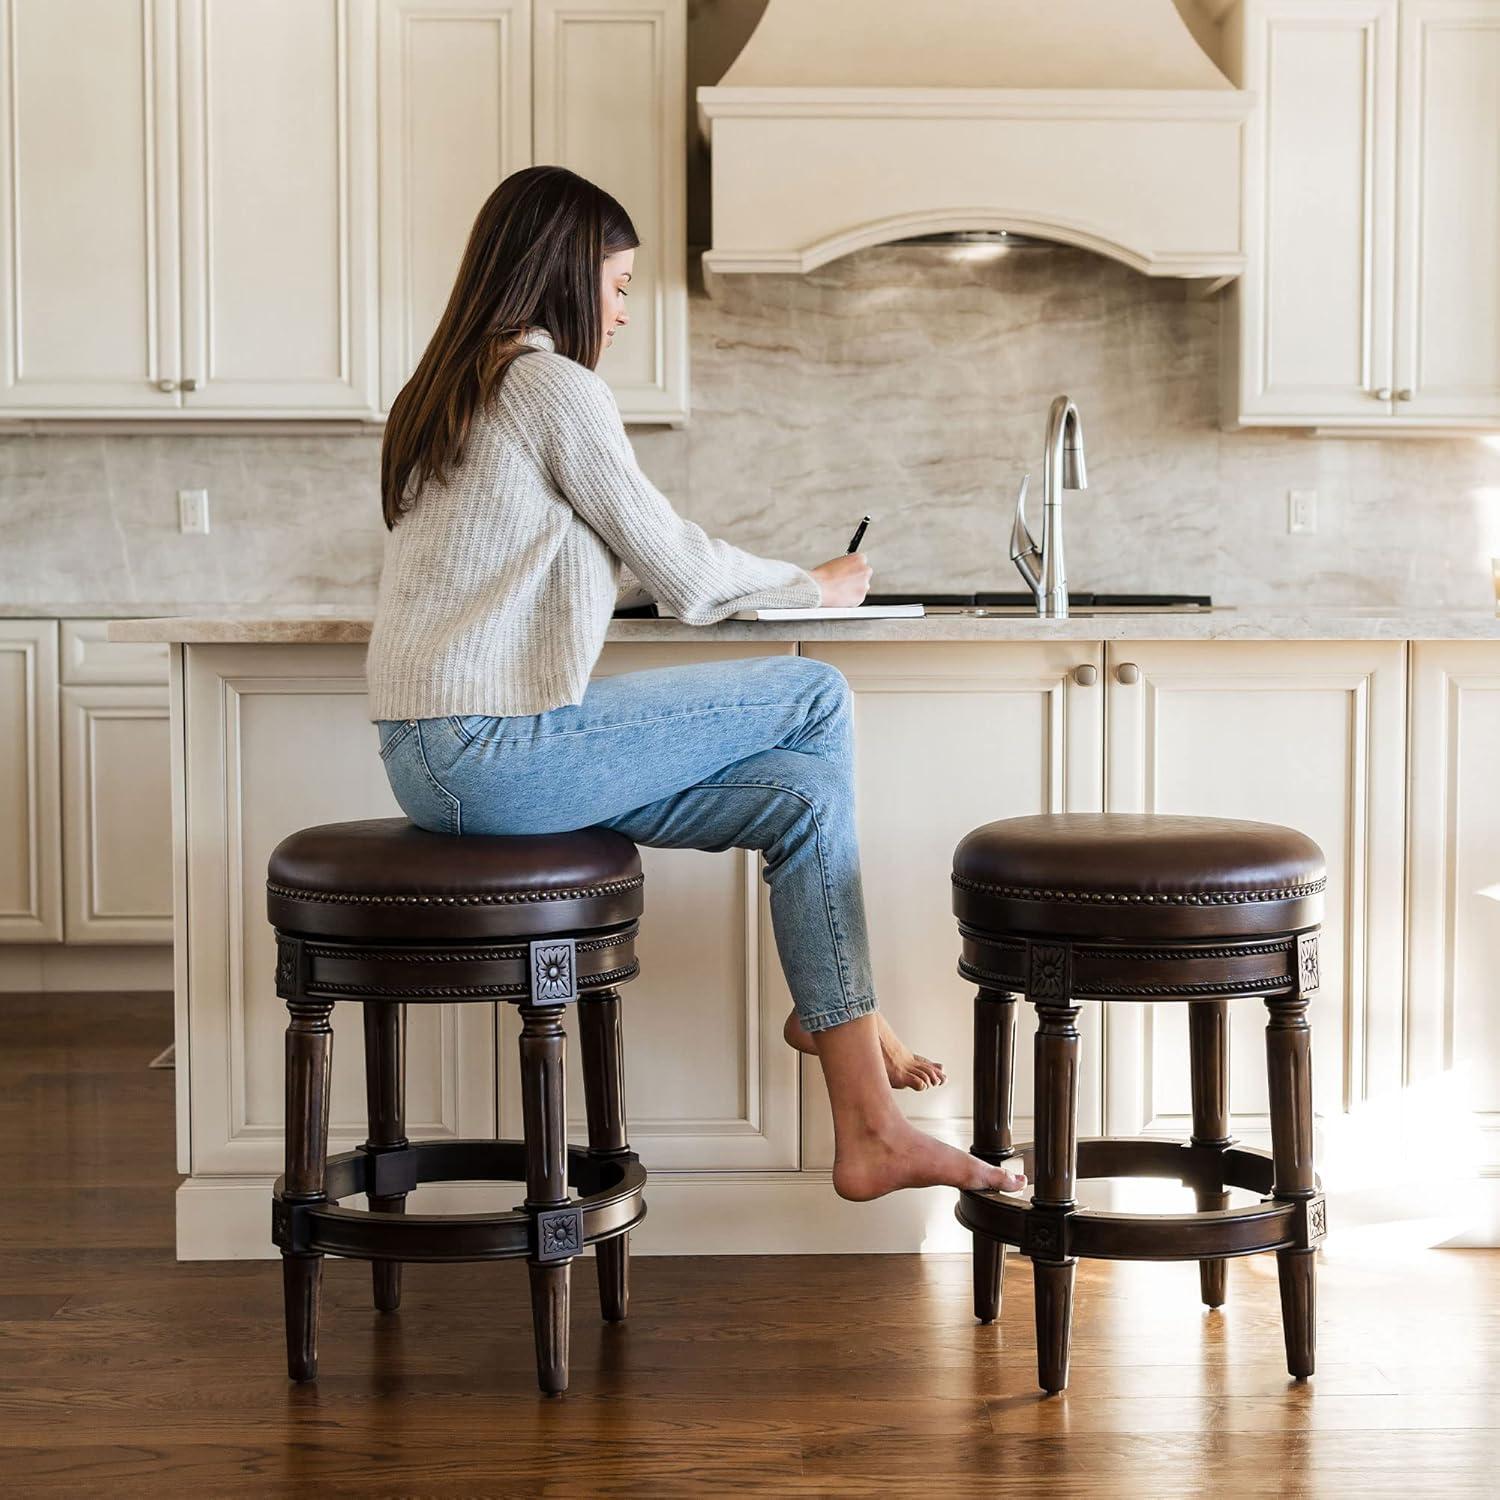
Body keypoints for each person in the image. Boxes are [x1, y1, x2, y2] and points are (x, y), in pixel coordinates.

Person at [366, 165, 1024, 1202]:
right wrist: (818, 586)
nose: (624, 310)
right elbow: (678, 566)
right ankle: (843, 1012)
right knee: (813, 699)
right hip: (489, 753)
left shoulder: (449, 387)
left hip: (441, 759)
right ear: (568, 273)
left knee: (802, 801)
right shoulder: (549, 384)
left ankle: (867, 1117)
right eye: (620, 283)